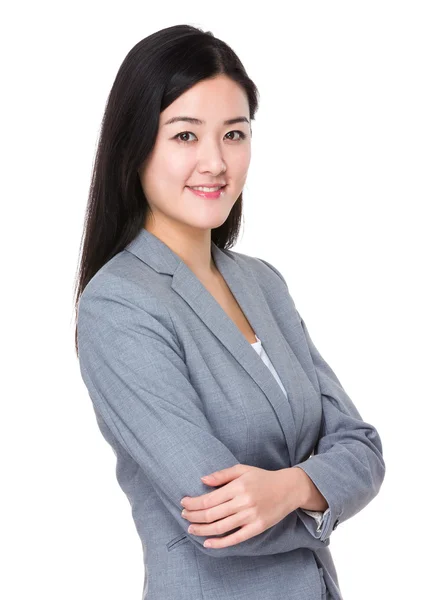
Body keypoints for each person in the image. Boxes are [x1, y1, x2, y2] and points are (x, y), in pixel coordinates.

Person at [73, 24, 386, 600]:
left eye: (234, 134)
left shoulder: (262, 282)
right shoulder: (118, 304)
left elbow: (362, 447)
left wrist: (291, 487)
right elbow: (217, 516)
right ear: (136, 142)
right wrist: (324, 491)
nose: (216, 162)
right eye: (186, 135)